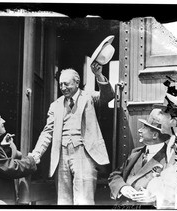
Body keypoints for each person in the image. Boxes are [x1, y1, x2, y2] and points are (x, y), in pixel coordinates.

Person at [29, 35, 115, 205]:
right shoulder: (55, 105)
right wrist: (37, 153)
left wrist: (99, 76)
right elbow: (47, 132)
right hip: (61, 156)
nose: (63, 88)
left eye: (66, 84)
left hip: (84, 153)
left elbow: (108, 96)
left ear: (77, 82)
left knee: (83, 201)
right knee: (64, 201)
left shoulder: (89, 97)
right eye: (61, 84)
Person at [108, 108, 172, 207]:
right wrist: (122, 188)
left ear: (155, 135)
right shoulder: (135, 153)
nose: (139, 130)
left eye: (144, 127)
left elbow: (175, 190)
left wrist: (155, 196)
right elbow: (115, 175)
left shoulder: (168, 158)